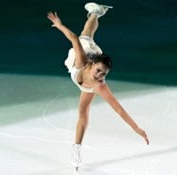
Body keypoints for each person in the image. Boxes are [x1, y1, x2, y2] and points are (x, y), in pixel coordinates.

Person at [47, 2, 149, 169]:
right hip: (90, 52)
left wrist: (136, 128)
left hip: (95, 63)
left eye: (104, 74)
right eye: (99, 71)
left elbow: (119, 109)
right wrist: (59, 25)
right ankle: (96, 12)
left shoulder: (99, 86)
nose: (100, 76)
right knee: (85, 36)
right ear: (92, 66)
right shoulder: (81, 62)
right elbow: (73, 39)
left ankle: (76, 148)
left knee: (82, 112)